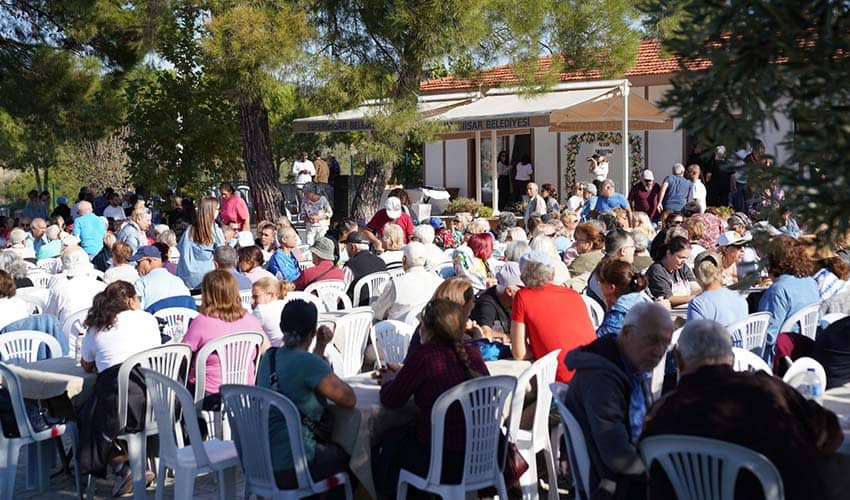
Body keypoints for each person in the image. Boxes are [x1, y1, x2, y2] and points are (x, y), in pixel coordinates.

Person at [641, 320, 846, 500]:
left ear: (678, 359)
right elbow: (829, 431)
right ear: (730, 356)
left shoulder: (660, 414)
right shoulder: (770, 389)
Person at [377, 298, 491, 496]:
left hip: (442, 460)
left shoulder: (424, 356)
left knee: (387, 443)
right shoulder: (472, 353)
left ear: (427, 329)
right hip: (481, 456)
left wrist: (388, 380)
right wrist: (403, 374)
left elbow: (392, 400)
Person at [564, 302, 674, 500]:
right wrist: (663, 476)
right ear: (627, 332)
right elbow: (618, 456)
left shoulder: (627, 364)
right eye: (652, 340)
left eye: (665, 345)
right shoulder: (601, 379)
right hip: (612, 485)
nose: (658, 351)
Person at [256, 299, 355, 491]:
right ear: (312, 331)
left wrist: (320, 346)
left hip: (264, 462)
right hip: (296, 464)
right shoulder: (307, 363)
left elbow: (307, 375)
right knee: (357, 459)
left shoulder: (269, 357)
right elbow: (349, 399)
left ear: (282, 327)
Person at [77, 281, 161, 495]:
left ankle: (121, 466)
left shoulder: (97, 327)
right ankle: (133, 463)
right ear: (132, 300)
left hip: (122, 409)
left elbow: (86, 364)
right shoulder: (147, 318)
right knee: (103, 406)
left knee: (88, 413)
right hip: (159, 401)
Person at [511, 250, 596, 382]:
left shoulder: (523, 297)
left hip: (562, 380)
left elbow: (519, 353)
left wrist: (543, 350)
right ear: (552, 273)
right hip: (595, 371)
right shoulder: (573, 294)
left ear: (522, 277)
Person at [183, 270, 264, 395]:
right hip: (245, 391)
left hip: (209, 393)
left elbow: (183, 356)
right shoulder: (251, 320)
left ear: (207, 293)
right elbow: (265, 349)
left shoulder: (202, 322)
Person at [757, 235, 820, 362]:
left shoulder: (778, 290)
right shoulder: (811, 282)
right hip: (805, 349)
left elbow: (768, 335)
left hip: (780, 357)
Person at [373, 242, 443, 321]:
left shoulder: (396, 284)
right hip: (428, 328)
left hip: (398, 330)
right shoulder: (439, 282)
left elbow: (378, 312)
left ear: (404, 260)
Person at [686, 251, 749, 333]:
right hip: (741, 345)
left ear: (695, 273)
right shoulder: (740, 297)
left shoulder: (698, 303)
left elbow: (695, 339)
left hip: (715, 345)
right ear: (721, 270)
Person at [46, 248, 106, 326]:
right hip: (96, 334)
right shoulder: (103, 288)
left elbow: (49, 317)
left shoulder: (60, 290)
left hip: (66, 336)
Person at [596, 259, 655, 338]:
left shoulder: (618, 315)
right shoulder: (643, 299)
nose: (599, 285)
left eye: (600, 282)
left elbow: (599, 343)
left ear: (611, 288)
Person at [176, 196, 224, 290]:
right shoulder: (215, 230)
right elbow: (222, 254)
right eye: (217, 209)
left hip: (185, 278)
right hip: (206, 279)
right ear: (211, 211)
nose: (219, 212)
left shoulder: (189, 230)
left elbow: (180, 248)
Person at [470, 262, 523, 341]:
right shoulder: (487, 303)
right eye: (523, 290)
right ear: (509, 291)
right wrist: (514, 339)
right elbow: (485, 333)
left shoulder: (517, 302)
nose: (527, 294)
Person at [131, 245, 191, 310]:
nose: (136, 267)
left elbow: (137, 311)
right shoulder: (179, 281)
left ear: (149, 261)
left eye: (138, 263)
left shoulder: (141, 283)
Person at [646, 236, 700, 306]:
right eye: (681, 257)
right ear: (668, 253)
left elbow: (694, 287)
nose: (684, 261)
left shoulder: (682, 267)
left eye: (687, 258)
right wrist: (694, 298)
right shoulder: (657, 270)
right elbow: (668, 298)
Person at [342, 231, 387, 305]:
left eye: (346, 246)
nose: (345, 249)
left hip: (356, 309)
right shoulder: (381, 262)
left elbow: (342, 290)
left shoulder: (351, 265)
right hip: (377, 306)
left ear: (353, 247)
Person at [251, 277, 296, 347]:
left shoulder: (261, 310)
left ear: (271, 295)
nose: (251, 301)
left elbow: (248, 333)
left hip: (274, 354)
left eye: (256, 297)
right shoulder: (286, 304)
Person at [566, 222, 605, 290]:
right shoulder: (603, 257)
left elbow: (567, 279)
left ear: (589, 244)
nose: (575, 243)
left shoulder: (583, 259)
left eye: (578, 240)